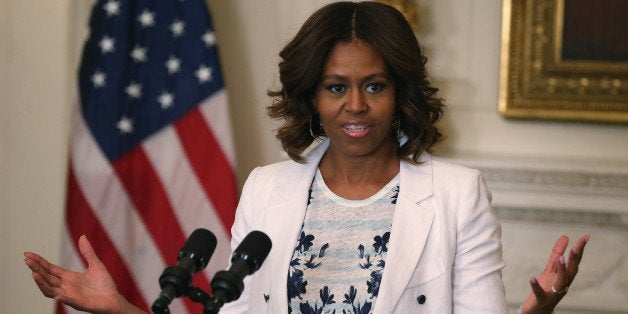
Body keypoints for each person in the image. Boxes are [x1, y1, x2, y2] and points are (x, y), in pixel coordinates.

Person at [25, 2, 589, 313]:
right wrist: (121, 309)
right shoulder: (267, 189)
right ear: (310, 97)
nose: (355, 106)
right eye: (335, 86)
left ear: (402, 93)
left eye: (375, 86)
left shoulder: (457, 192)